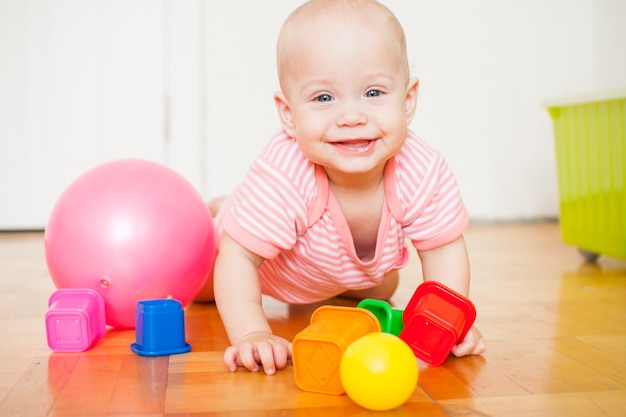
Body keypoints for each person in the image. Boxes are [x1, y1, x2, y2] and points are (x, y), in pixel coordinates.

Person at [198, 0, 486, 375]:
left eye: (373, 93)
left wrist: (446, 323)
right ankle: (224, 212)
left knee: (384, 287)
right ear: (289, 115)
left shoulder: (422, 171)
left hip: (332, 271)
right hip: (258, 262)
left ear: (408, 100)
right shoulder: (285, 175)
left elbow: (443, 251)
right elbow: (237, 259)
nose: (351, 117)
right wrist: (251, 332)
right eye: (323, 98)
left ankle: (327, 278)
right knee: (200, 283)